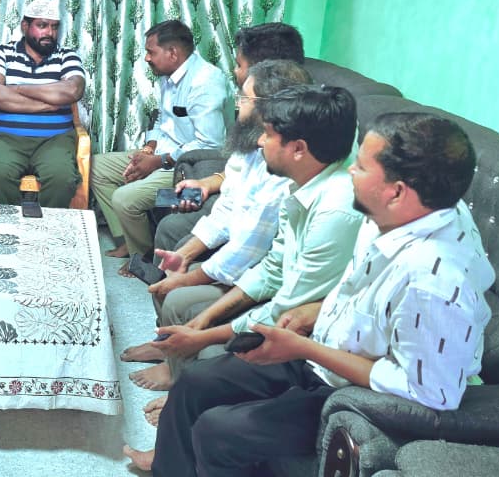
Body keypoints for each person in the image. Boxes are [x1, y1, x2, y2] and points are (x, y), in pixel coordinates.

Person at [125, 113, 491, 476]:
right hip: (324, 350)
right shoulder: (402, 211)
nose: (350, 171)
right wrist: (314, 312)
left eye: (362, 167)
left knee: (217, 432)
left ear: (397, 192)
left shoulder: (433, 280)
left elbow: (427, 393)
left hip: (353, 391)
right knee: (196, 381)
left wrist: (303, 348)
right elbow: (365, 295)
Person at [132, 85, 363, 396]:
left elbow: (287, 306)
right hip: (287, 303)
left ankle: (181, 386)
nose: (260, 141)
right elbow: (272, 270)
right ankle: (177, 371)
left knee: (201, 376)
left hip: (311, 330)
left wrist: (203, 335)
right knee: (186, 306)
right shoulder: (301, 186)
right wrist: (204, 320)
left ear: (298, 149)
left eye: (268, 134)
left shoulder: (334, 211)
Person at [121, 60, 310, 390]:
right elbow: (227, 209)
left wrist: (186, 278)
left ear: (271, 110)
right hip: (244, 254)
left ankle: (177, 375)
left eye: (245, 98)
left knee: (177, 294)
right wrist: (186, 255)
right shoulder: (250, 145)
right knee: (175, 253)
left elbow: (248, 249)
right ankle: (167, 347)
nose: (237, 105)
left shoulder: (281, 168)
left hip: (259, 270)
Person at [129, 22, 307, 284]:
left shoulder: (284, 141)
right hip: (213, 183)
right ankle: (153, 270)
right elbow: (236, 171)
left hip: (205, 183)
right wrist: (205, 183)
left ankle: (158, 272)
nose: (234, 72)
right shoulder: (253, 122)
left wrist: (160, 161)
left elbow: (213, 149)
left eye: (239, 65)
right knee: (165, 205)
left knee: (146, 201)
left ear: (263, 71)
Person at [91, 20, 231, 277]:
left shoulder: (205, 83)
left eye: (150, 52)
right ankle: (128, 240)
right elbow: (162, 120)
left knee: (125, 198)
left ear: (173, 53)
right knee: (97, 167)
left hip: (190, 167)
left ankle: (144, 257)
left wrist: (158, 162)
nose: (146, 58)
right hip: (163, 154)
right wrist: (149, 149)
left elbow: (210, 145)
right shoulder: (169, 76)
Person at [0, 0, 86, 208]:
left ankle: (46, 227)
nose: (49, 33)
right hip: (6, 138)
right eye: (42, 25)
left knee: (62, 178)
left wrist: (17, 88)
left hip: (54, 139)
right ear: (25, 26)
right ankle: (11, 225)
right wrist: (46, 103)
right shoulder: (2, 52)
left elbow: (73, 90)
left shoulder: (67, 56)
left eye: (54, 27)